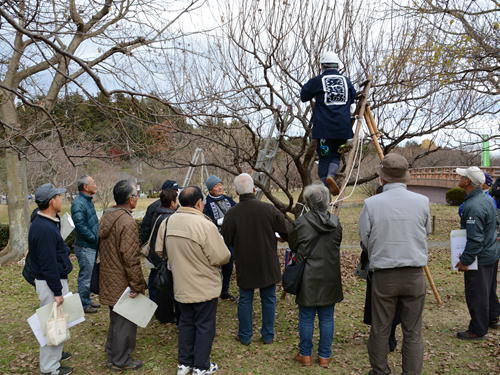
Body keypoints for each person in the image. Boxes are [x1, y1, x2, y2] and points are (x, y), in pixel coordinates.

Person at [358, 153, 431, 375]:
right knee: (413, 331)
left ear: (382, 178)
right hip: (414, 274)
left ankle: (380, 371)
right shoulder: (422, 202)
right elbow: (425, 233)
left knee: (380, 327)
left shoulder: (371, 204)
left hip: (385, 274)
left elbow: (365, 240)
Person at [166, 186, 231, 375]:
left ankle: (184, 363)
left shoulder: (170, 221)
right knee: (204, 326)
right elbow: (222, 256)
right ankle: (201, 366)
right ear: (199, 203)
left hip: (180, 284)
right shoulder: (204, 224)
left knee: (185, 323)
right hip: (203, 285)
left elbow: (160, 250)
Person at [221, 173, 292, 345]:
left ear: (238, 193)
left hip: (245, 262)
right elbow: (287, 231)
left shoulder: (232, 214)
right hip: (267, 261)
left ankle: (245, 336)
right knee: (268, 298)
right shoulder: (268, 209)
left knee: (245, 299)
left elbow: (226, 240)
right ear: (254, 189)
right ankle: (268, 335)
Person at [288, 184, 343, 369]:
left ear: (308, 202)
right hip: (329, 274)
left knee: (306, 317)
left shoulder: (301, 223)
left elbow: (294, 245)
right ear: (326, 201)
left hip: (308, 275)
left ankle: (305, 355)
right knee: (327, 317)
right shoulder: (336, 222)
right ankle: (324, 356)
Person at [99, 180, 147, 371]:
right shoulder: (126, 222)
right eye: (135, 194)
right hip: (121, 279)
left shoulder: (108, 216)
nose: (136, 197)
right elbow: (130, 257)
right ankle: (120, 360)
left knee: (116, 319)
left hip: (109, 275)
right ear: (130, 199)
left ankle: (112, 353)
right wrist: (137, 284)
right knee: (125, 322)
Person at [28, 183, 73, 375]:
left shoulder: (46, 221)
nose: (61, 199)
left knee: (58, 321)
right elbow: (48, 265)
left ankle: (55, 357)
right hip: (50, 283)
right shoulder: (44, 228)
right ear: (51, 201)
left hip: (51, 281)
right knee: (51, 323)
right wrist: (57, 292)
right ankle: (49, 368)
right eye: (59, 196)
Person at [300, 51, 356, 195]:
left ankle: (324, 187)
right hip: (344, 131)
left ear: (322, 65)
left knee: (324, 156)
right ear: (338, 65)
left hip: (324, 131)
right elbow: (354, 96)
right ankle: (331, 176)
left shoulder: (318, 80)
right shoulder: (346, 81)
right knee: (337, 155)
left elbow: (304, 96)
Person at [455, 167, 500, 339]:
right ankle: (492, 318)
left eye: (461, 176)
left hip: (480, 257)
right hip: (491, 253)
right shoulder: (487, 199)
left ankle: (478, 329)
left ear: (468, 181)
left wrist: (465, 260)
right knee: (488, 290)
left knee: (477, 293)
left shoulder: (473, 206)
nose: (458, 178)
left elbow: (475, 239)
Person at [141, 179, 181, 302]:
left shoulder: (170, 206)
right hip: (159, 248)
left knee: (158, 275)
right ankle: (156, 302)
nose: (176, 193)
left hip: (155, 248)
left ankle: (156, 302)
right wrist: (146, 243)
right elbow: (146, 227)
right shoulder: (162, 208)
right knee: (158, 275)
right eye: (174, 190)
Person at [203, 175, 237, 300]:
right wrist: (221, 221)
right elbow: (205, 220)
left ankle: (224, 291)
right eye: (217, 186)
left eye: (220, 184)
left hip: (231, 238)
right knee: (214, 266)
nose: (220, 187)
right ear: (211, 189)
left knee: (228, 265)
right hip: (215, 239)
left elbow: (237, 211)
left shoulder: (228, 199)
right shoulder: (206, 203)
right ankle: (212, 291)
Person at [149, 188, 180, 323]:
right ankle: (167, 315)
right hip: (164, 257)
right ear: (172, 203)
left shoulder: (157, 213)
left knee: (161, 287)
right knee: (167, 288)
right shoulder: (169, 218)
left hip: (155, 255)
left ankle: (162, 314)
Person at [70, 175, 100, 314]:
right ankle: (84, 304)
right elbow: (80, 226)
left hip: (90, 245)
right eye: (93, 182)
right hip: (85, 246)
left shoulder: (87, 201)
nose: (95, 184)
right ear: (86, 187)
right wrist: (94, 238)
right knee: (85, 277)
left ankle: (86, 300)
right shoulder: (79, 203)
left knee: (88, 275)